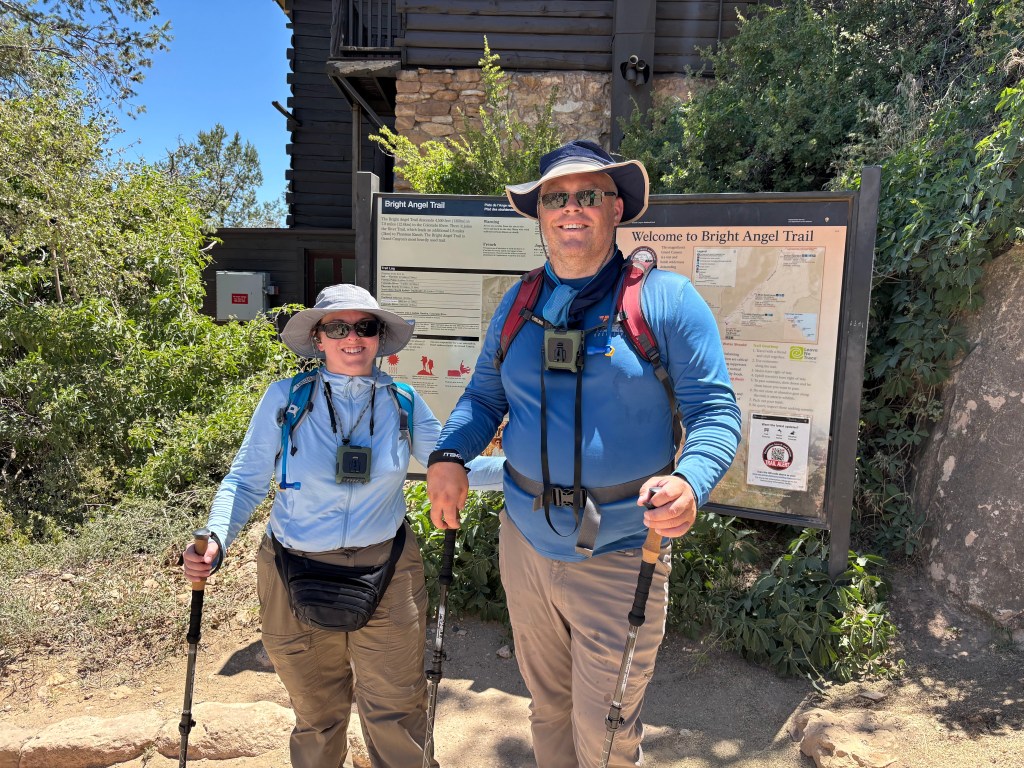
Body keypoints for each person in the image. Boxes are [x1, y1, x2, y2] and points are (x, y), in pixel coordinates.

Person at [426, 140, 742, 767]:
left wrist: (691, 481)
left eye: (587, 194)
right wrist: (448, 455)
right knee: (547, 707)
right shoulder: (518, 306)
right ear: (539, 214)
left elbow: (716, 414)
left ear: (617, 208)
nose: (571, 208)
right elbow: (483, 399)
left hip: (624, 550)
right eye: (556, 197)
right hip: (524, 544)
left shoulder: (667, 302)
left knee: (608, 730)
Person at [182, 284, 500, 768]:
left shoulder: (404, 402)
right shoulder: (286, 399)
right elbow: (245, 479)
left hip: (388, 572)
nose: (353, 338)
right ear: (318, 337)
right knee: (317, 715)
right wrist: (217, 537)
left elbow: (454, 468)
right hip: (292, 572)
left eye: (366, 327)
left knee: (397, 714)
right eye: (338, 327)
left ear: (379, 337)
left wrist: (537, 475)